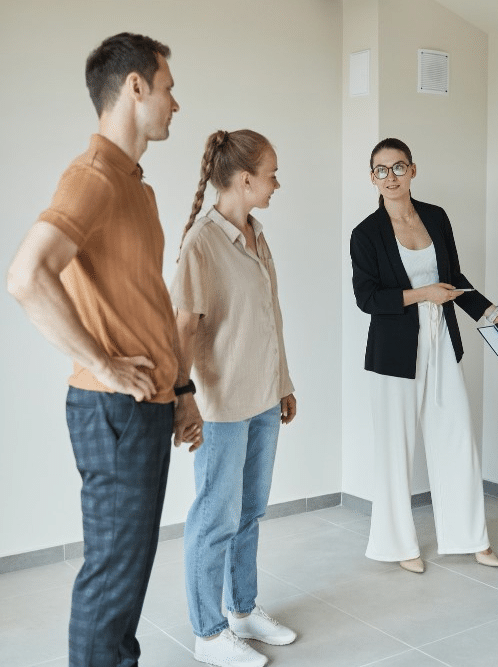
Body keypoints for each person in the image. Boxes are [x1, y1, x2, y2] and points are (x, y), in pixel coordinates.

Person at [6, 33, 203, 667]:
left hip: (143, 404)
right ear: (135, 87)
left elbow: (137, 302)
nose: (176, 104)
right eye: (168, 89)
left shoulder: (135, 187)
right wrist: (104, 364)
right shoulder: (92, 176)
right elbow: (26, 275)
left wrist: (177, 390)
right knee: (114, 575)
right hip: (112, 410)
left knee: (127, 570)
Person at [350, 138, 498, 574]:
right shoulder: (365, 233)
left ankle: (471, 537)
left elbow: (454, 278)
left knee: (457, 435)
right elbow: (367, 298)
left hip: (441, 338)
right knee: (395, 447)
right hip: (392, 351)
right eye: (381, 170)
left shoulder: (436, 217)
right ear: (372, 177)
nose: (391, 177)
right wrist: (424, 294)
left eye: (398, 167)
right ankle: (398, 545)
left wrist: (493, 312)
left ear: (412, 170)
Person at [171, 129, 297, 667]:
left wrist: (284, 382)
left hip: (263, 399)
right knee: (213, 518)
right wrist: (183, 397)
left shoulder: (257, 234)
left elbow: (268, 316)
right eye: (271, 173)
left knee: (249, 510)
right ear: (245, 179)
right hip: (222, 407)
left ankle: (242, 609)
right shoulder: (202, 243)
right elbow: (183, 327)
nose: (276, 182)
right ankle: (208, 631)